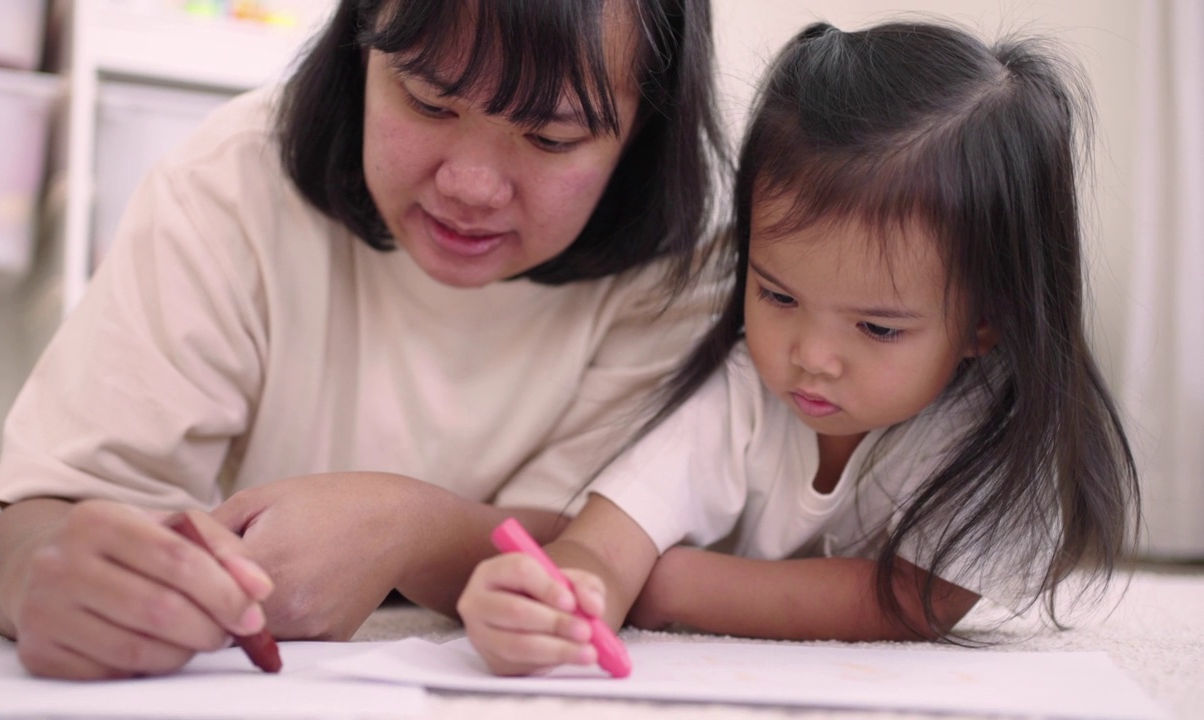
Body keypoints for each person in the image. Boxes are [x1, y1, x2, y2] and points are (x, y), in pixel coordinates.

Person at [0, 0, 727, 680]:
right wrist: (39, 575)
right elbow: (41, 514)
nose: (471, 184)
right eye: (431, 101)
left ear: (641, 136)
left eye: (550, 138)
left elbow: (594, 547)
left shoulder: (683, 275)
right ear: (359, 51)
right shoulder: (230, 184)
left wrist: (411, 528)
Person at [457, 19, 1142, 676]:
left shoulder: (997, 429)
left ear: (985, 323)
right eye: (778, 296)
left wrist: (674, 585)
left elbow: (917, 600)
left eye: (877, 328)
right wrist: (562, 596)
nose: (810, 356)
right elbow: (603, 545)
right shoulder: (738, 392)